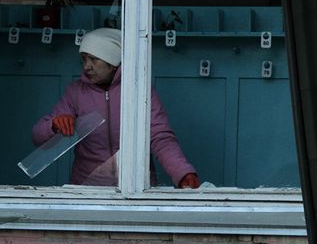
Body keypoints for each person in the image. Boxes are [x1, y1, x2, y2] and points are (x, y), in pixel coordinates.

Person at [31, 28, 200, 188]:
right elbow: (38, 137)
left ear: (112, 62)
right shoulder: (75, 92)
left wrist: (183, 173)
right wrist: (54, 125)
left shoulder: (139, 90)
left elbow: (159, 136)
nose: (86, 66)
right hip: (87, 189)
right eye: (83, 59)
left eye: (93, 59)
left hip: (136, 187)